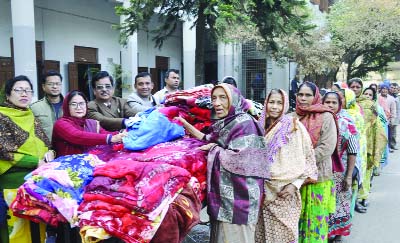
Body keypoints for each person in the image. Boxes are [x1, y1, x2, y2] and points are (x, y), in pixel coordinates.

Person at [177, 84, 266, 243]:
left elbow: (240, 161)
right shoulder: (228, 122)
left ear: (234, 99)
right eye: (214, 98)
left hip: (240, 201)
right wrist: (185, 124)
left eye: (223, 97)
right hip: (225, 199)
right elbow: (207, 139)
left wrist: (214, 149)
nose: (217, 103)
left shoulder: (245, 124)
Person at [255, 89, 318, 243]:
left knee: (284, 234)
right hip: (261, 192)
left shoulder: (293, 127)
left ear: (285, 105)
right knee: (261, 235)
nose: (275, 107)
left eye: (279, 103)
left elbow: (307, 159)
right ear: (266, 103)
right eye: (271, 102)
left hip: (284, 193)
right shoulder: (258, 126)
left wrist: (294, 185)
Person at [0, 75, 55, 243]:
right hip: (13, 183)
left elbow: (45, 142)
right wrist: (36, 162)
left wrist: (51, 153)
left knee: (37, 230)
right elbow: (4, 150)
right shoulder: (2, 116)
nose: (24, 94)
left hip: (37, 182)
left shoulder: (31, 115)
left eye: (28, 90)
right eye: (19, 90)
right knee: (16, 231)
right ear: (8, 95)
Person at [293, 81, 339, 243]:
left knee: (315, 222)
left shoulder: (326, 116)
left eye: (308, 95)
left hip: (318, 177)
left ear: (315, 97)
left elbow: (327, 147)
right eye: (301, 94)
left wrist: (301, 162)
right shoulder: (292, 116)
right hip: (295, 179)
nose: (304, 98)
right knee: (296, 222)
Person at [323, 92, 358, 243]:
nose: (330, 105)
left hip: (339, 172)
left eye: (333, 102)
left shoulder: (346, 123)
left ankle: (337, 233)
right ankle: (324, 232)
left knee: (339, 202)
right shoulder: (317, 120)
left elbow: (353, 150)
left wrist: (349, 176)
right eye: (327, 102)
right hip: (322, 171)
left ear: (340, 105)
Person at [53, 90, 126, 157]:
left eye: (82, 103)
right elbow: (77, 136)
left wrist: (122, 134)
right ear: (66, 106)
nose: (78, 107)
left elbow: (105, 133)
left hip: (90, 164)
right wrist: (110, 138)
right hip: (66, 167)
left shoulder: (91, 123)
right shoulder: (61, 124)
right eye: (73, 104)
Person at [31, 71, 64, 142]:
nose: (55, 87)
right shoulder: (34, 108)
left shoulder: (70, 106)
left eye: (58, 84)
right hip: (45, 149)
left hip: (66, 148)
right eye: (50, 84)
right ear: (43, 87)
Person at [378, 84, 396, 152]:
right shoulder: (377, 97)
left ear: (388, 90)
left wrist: (392, 120)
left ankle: (387, 148)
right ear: (381, 89)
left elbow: (393, 110)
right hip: (378, 119)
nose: (384, 90)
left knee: (387, 135)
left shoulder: (391, 99)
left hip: (387, 120)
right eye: (383, 88)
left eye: (386, 89)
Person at [389, 83, 399, 150]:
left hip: (396, 117)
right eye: (392, 87)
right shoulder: (387, 96)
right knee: (388, 132)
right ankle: (388, 145)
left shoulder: (397, 97)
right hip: (388, 116)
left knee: (393, 132)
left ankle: (393, 144)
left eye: (395, 88)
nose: (393, 89)